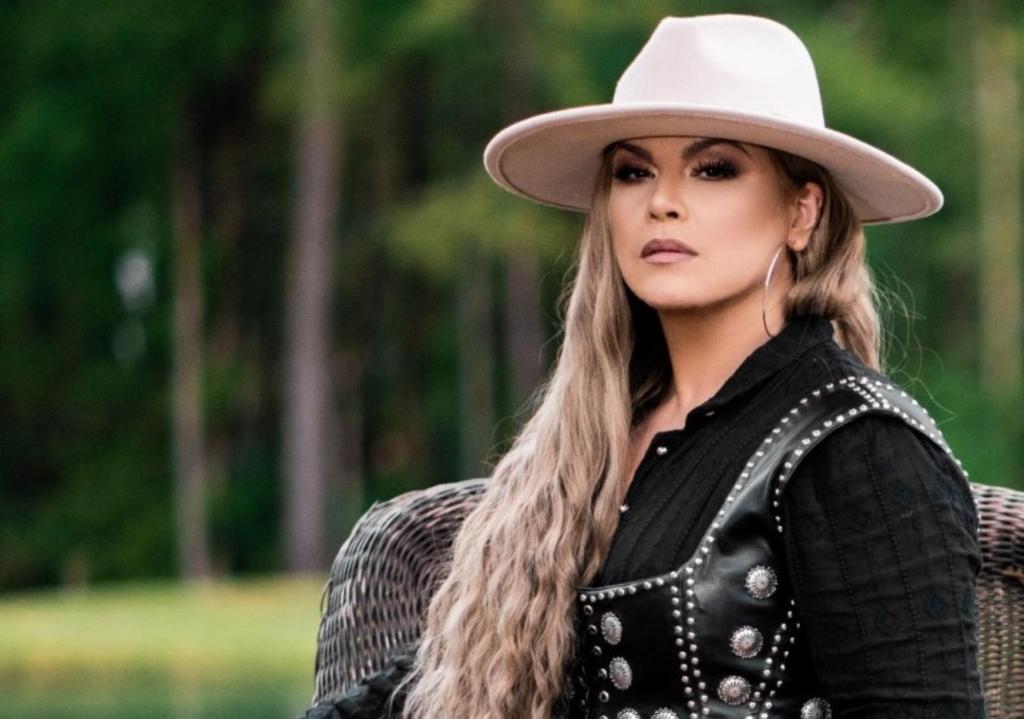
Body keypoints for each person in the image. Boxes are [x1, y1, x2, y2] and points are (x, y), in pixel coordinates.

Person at [306, 13, 987, 719]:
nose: (661, 202)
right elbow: (438, 672)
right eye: (633, 172)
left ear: (802, 212)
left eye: (713, 169)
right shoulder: (585, 441)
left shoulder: (860, 447)